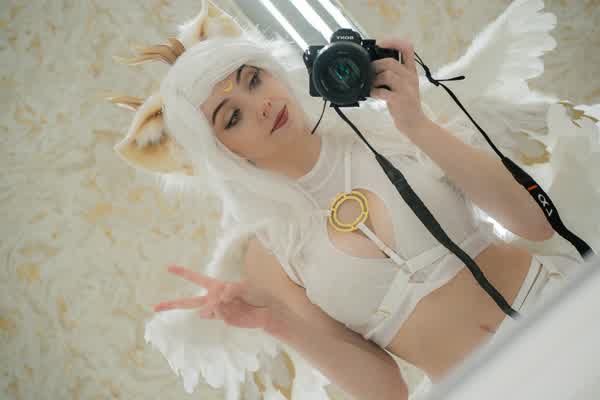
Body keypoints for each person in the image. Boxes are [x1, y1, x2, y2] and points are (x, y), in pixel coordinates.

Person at [111, 1, 596, 399]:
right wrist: (275, 323)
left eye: (254, 79)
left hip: (565, 312)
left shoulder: (389, 127)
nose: (260, 105)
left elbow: (533, 223)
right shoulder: (267, 254)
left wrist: (417, 124)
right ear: (222, 153)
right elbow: (385, 390)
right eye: (231, 117)